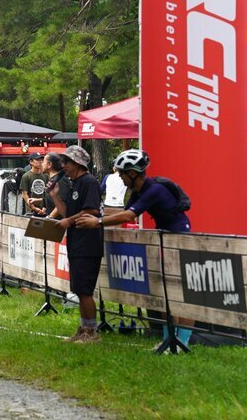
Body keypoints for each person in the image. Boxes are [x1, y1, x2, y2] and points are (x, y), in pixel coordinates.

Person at [75, 149, 193, 347]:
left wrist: (98, 222)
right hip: (164, 236)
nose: (119, 177)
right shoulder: (138, 190)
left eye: (121, 173)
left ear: (132, 173)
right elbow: (122, 212)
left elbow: (129, 216)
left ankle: (183, 341)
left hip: (179, 237)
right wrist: (96, 217)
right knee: (165, 293)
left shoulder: (154, 189)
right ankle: (169, 339)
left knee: (177, 292)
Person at [47, 145, 102, 343]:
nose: (64, 166)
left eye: (67, 162)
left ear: (78, 163)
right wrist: (54, 196)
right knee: (79, 289)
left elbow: (92, 211)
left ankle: (92, 332)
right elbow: (66, 213)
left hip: (88, 244)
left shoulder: (89, 182)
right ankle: (83, 327)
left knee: (85, 290)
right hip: (75, 242)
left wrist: (69, 222)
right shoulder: (74, 184)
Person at [41, 153, 71, 219]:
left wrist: (49, 218)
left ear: (49, 164)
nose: (42, 164)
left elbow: (62, 203)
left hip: (60, 223)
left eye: (43, 162)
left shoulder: (61, 180)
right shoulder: (52, 180)